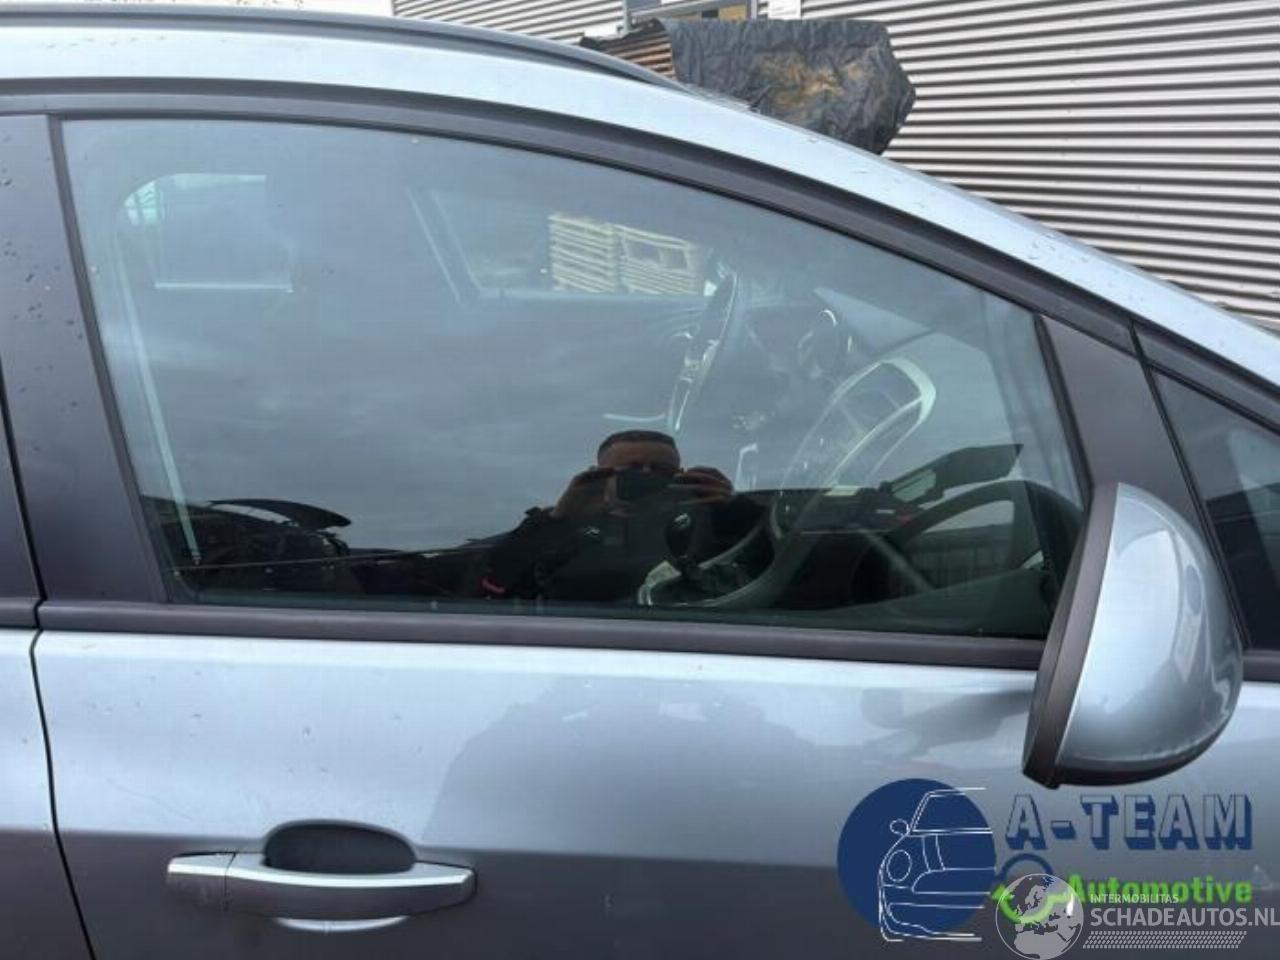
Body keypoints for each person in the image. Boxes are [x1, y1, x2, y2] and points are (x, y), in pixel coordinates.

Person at [477, 430, 755, 603]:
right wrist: (560, 519)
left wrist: (734, 506)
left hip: (694, 638)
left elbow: (770, 556)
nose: (646, 475)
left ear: (681, 474)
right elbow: (493, 588)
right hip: (576, 643)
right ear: (597, 474)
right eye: (631, 468)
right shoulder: (560, 526)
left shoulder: (709, 517)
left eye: (661, 469)